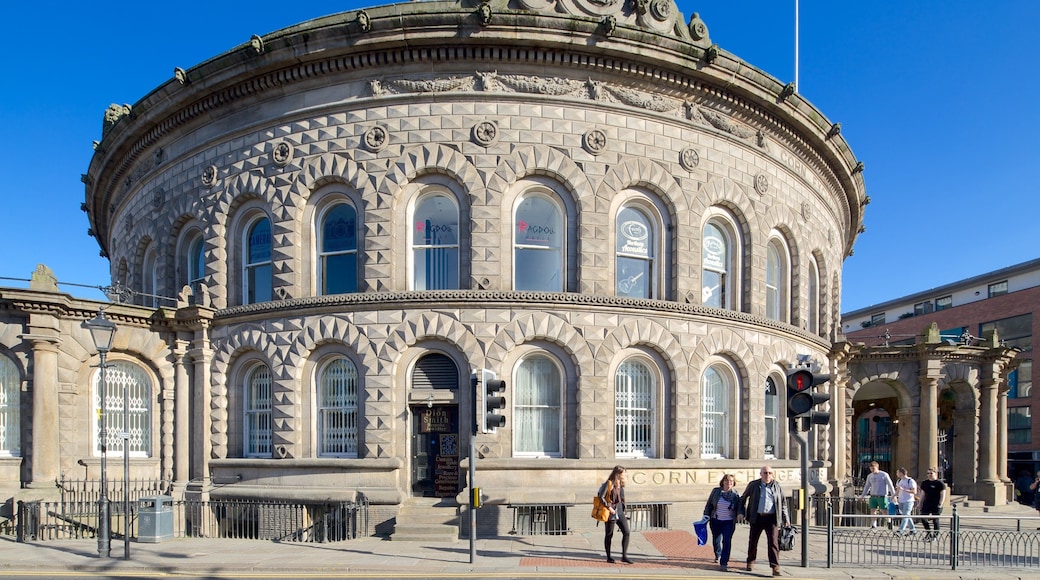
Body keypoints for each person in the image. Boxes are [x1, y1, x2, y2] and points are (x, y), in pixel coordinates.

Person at [738, 465, 789, 577]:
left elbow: (783, 503)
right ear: (760, 474)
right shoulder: (754, 485)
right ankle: (750, 562)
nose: (767, 475)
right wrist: (741, 512)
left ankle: (775, 566)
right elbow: (743, 498)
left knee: (773, 543)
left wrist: (786, 519)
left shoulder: (777, 486)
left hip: (772, 518)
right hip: (757, 517)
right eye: (765, 473)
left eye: (770, 473)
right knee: (753, 541)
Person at [702, 473, 739, 572]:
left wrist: (740, 514)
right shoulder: (716, 492)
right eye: (727, 481)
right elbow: (709, 504)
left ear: (733, 483)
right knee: (716, 540)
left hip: (729, 522)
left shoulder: (735, 495)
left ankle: (724, 563)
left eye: (731, 481)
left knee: (727, 541)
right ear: (722, 482)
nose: (729, 483)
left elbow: (740, 507)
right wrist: (706, 515)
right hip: (716, 520)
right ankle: (717, 554)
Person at [597, 465, 632, 564]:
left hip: (620, 512)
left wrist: (624, 512)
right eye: (623, 473)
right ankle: (609, 556)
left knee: (627, 532)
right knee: (609, 534)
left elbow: (621, 499)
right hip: (611, 512)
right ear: (618, 474)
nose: (625, 474)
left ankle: (624, 556)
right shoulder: (609, 484)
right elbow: (601, 497)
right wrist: (609, 507)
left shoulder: (620, 484)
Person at [861, 461, 896, 529]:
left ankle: (889, 521)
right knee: (872, 510)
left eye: (873, 468)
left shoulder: (884, 475)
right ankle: (874, 524)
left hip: (882, 496)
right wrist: (862, 495)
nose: (872, 470)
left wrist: (893, 495)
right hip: (873, 495)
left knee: (884, 511)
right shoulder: (869, 476)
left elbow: (890, 485)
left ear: (877, 467)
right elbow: (867, 486)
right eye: (871, 469)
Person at [917, 467, 946, 541]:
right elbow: (922, 494)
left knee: (935, 520)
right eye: (928, 473)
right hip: (927, 503)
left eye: (931, 473)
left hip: (936, 504)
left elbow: (943, 494)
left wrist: (940, 504)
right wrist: (920, 503)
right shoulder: (925, 483)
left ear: (935, 473)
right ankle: (928, 533)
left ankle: (935, 536)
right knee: (923, 518)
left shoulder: (940, 483)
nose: (929, 475)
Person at [893, 467, 918, 536]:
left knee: (905, 515)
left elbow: (914, 491)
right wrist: (894, 496)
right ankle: (913, 529)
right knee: (907, 516)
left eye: (897, 473)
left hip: (908, 501)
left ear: (901, 473)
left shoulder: (910, 481)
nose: (896, 474)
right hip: (901, 501)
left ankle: (900, 530)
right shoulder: (899, 481)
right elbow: (897, 491)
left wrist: (904, 489)